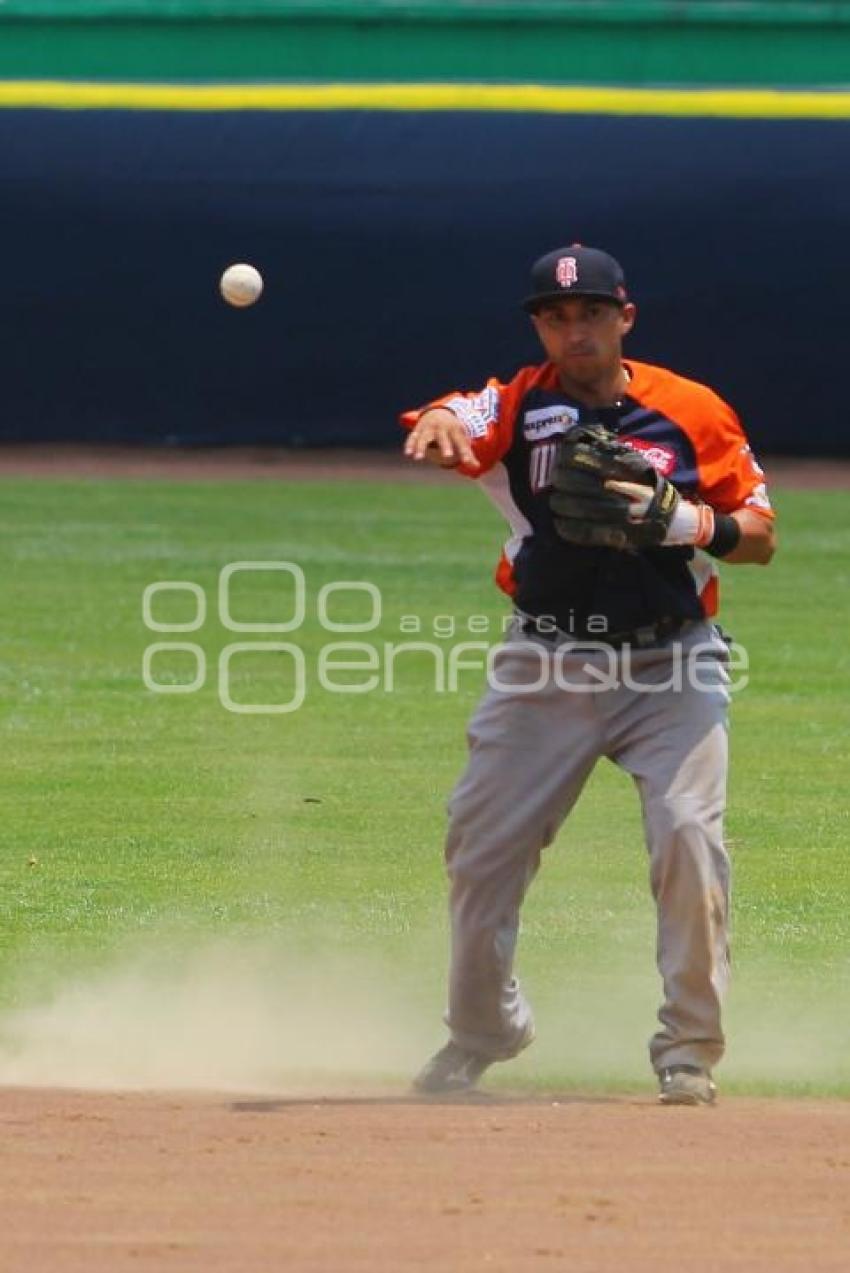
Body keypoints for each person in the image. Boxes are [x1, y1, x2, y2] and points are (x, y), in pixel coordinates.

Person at [400, 243, 776, 1105]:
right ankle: (483, 1030)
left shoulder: (691, 410)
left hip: (670, 662)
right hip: (545, 662)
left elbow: (760, 535)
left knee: (688, 837)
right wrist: (439, 419)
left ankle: (688, 1049)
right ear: (539, 325)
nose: (576, 329)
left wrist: (688, 522)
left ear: (624, 318)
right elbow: (463, 408)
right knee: (480, 848)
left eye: (592, 313)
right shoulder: (520, 401)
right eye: (557, 316)